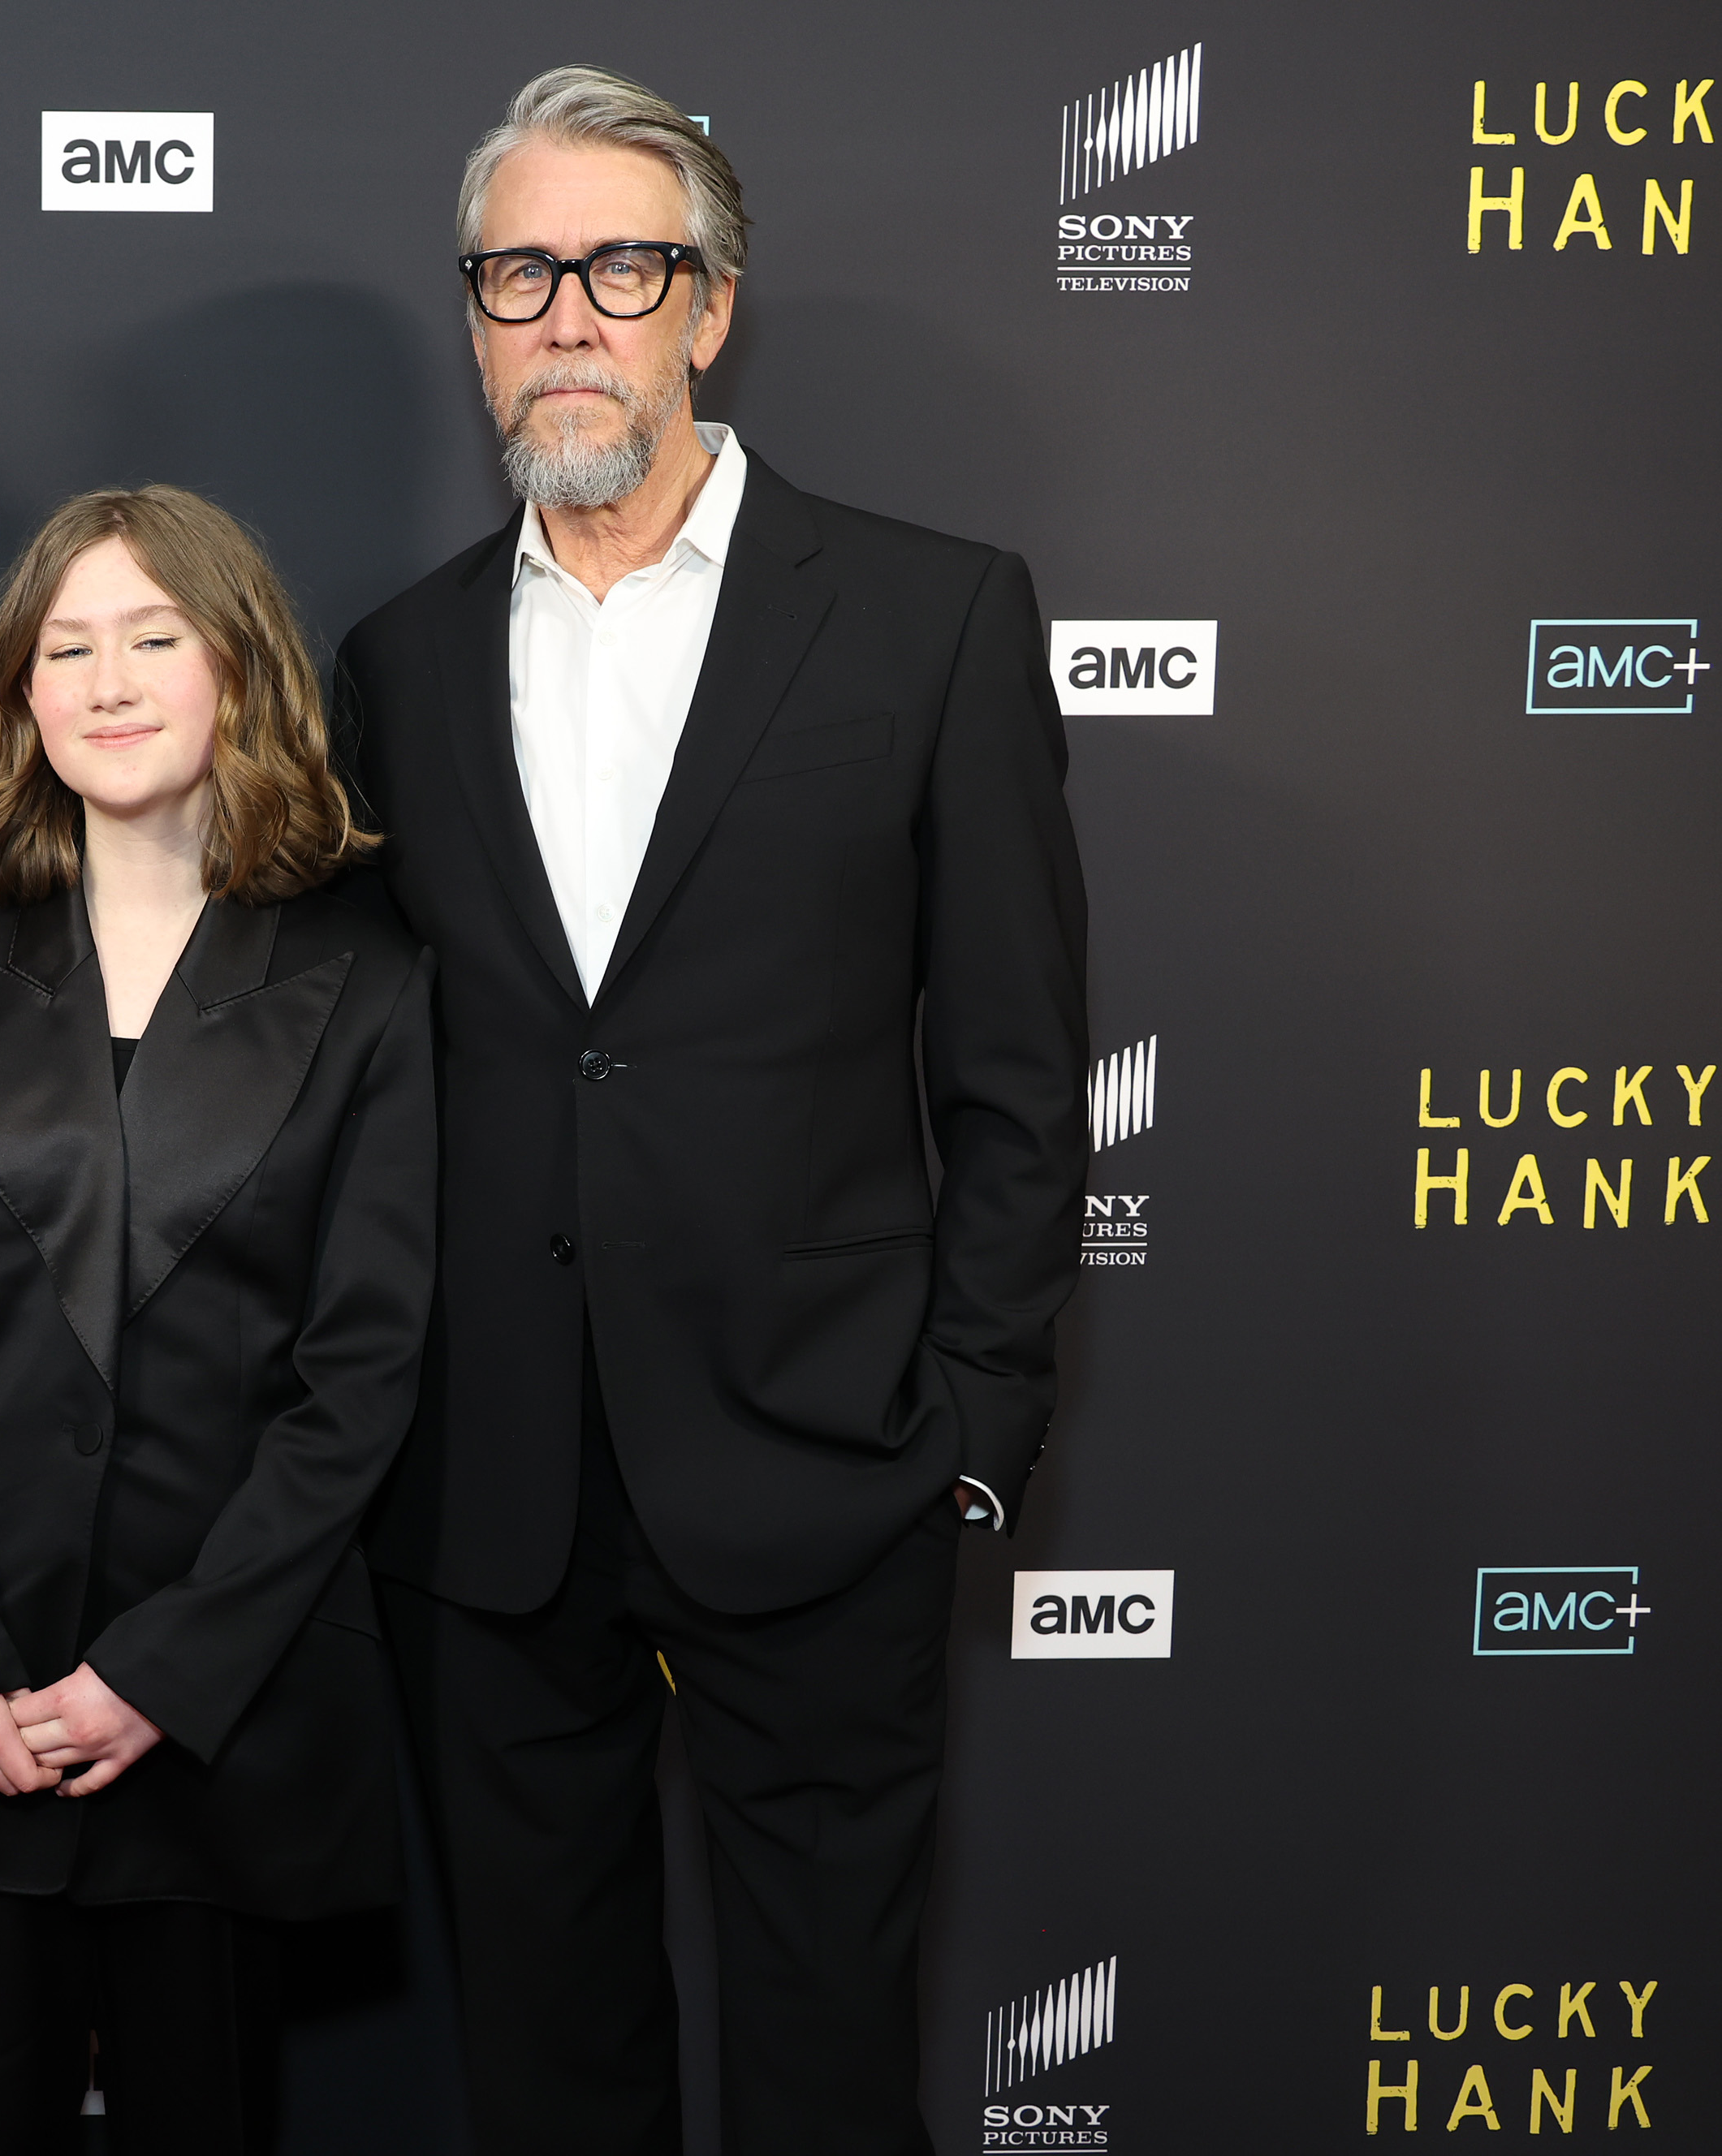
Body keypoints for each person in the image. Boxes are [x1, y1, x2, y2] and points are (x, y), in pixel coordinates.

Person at [336, 67, 1090, 2155]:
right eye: (520, 272)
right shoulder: (390, 665)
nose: (567, 312)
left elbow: (1021, 1075)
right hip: (489, 1483)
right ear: (476, 318)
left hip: (825, 1452)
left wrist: (969, 1436)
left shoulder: (933, 615)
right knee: (549, 2059)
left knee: (834, 2055)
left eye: (621, 263)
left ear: (710, 303)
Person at [0, 486, 438, 2154]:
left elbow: (361, 1373)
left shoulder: (371, 980)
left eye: (153, 638)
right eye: (65, 646)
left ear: (238, 669)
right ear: (22, 696)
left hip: (216, 1720)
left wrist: (162, 1675)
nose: (107, 680)